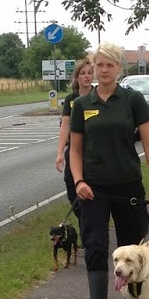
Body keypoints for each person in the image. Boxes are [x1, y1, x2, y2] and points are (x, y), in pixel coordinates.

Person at [68, 43, 149, 299]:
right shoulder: (82, 104)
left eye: (110, 65)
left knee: (131, 245)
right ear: (93, 68)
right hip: (93, 189)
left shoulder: (132, 100)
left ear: (119, 68)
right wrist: (79, 181)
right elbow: (75, 149)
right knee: (96, 246)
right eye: (99, 65)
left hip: (128, 185)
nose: (104, 70)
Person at [54, 58, 95, 204]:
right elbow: (65, 126)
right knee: (71, 183)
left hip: (93, 149)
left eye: (89, 73)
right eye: (83, 73)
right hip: (75, 148)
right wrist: (60, 152)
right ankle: (80, 212)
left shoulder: (97, 95)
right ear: (77, 77)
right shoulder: (71, 99)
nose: (86, 76)